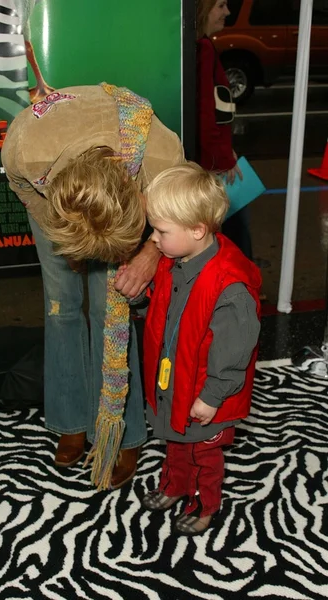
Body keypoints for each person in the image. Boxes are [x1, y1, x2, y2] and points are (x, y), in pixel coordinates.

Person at [1, 84, 185, 491]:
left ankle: (121, 429)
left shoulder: (160, 153)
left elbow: (183, 209)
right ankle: (72, 421)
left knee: (111, 311)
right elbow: (26, 192)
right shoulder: (24, 149)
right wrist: (64, 235)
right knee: (61, 306)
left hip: (129, 181)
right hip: (56, 201)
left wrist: (149, 253)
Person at [140, 162, 261, 535]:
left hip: (208, 394)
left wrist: (212, 397)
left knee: (203, 454)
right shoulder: (175, 259)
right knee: (175, 441)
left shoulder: (229, 286)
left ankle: (204, 504)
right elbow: (163, 306)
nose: (154, 239)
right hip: (177, 382)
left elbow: (234, 351)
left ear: (197, 230)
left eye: (160, 231)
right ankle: (175, 485)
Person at [196, 0, 253, 261]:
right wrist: (223, 158)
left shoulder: (198, 46)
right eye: (220, 5)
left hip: (208, 156)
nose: (227, 12)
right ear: (203, 9)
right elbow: (206, 111)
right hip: (212, 162)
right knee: (233, 230)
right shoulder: (204, 48)